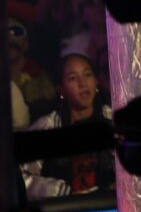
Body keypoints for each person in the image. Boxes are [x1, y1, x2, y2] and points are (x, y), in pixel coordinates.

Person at [21, 53, 114, 199]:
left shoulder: (112, 121)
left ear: (96, 82)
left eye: (87, 74)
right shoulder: (48, 127)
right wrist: (57, 191)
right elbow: (18, 173)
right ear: (61, 90)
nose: (82, 83)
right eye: (72, 78)